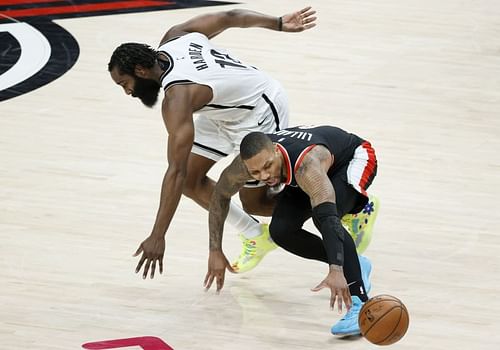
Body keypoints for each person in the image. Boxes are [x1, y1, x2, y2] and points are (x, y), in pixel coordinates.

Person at [107, 7, 318, 278]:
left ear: (140, 70)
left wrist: (158, 235)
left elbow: (175, 170)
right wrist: (276, 22)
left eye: (124, 83)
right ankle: (255, 235)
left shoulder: (177, 99)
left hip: (258, 108)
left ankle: (348, 204)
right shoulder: (175, 37)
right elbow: (229, 18)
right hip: (221, 111)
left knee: (256, 202)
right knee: (190, 182)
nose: (127, 91)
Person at [204, 125, 378, 336]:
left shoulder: (306, 166)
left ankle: (361, 305)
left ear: (276, 150)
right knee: (281, 231)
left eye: (268, 166)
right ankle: (356, 263)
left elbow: (329, 220)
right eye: (256, 172)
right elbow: (219, 197)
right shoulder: (243, 166)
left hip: (351, 159)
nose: (265, 175)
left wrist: (336, 269)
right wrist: (215, 249)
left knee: (322, 218)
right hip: (306, 173)